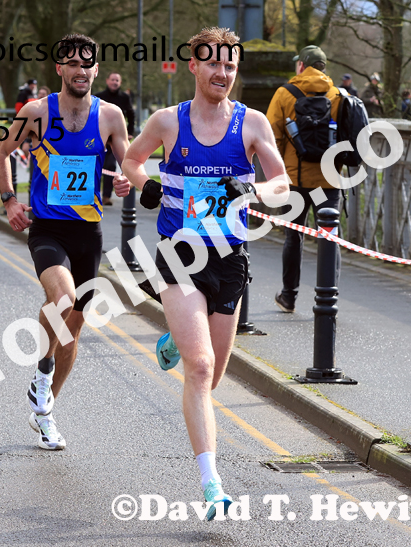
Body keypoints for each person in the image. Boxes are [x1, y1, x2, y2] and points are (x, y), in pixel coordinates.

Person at [121, 27, 288, 520]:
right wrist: (145, 185)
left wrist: (254, 191)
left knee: (211, 376)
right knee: (198, 368)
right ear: (193, 66)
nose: (223, 73)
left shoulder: (253, 124)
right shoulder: (167, 122)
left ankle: (176, 339)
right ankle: (213, 485)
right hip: (179, 255)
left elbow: (281, 184)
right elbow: (131, 159)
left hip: (230, 259)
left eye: (231, 66)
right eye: (213, 64)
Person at [0, 33, 131, 452]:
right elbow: (2, 153)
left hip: (89, 232)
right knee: (64, 298)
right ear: (59, 69)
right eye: (71, 63)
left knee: (73, 330)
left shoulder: (110, 116)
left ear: (95, 68)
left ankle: (45, 412)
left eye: (87, 63)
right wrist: (9, 200)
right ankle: (42, 370)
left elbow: (129, 161)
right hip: (48, 228)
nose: (80, 70)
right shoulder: (36, 112)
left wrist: (127, 179)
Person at [265, 45, 342, 313]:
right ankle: (328, 299)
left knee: (293, 238)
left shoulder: (285, 94)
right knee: (330, 237)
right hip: (328, 182)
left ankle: (289, 296)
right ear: (323, 67)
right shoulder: (338, 95)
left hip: (295, 180)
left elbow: (270, 138)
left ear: (301, 66)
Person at [95, 72, 135, 206]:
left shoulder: (124, 97)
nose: (114, 82)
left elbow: (131, 114)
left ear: (120, 82)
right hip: (99, 137)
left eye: (117, 80)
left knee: (110, 165)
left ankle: (106, 196)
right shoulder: (98, 97)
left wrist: (129, 132)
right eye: (112, 80)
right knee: (95, 165)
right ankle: (92, 194)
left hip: (115, 136)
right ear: (107, 81)